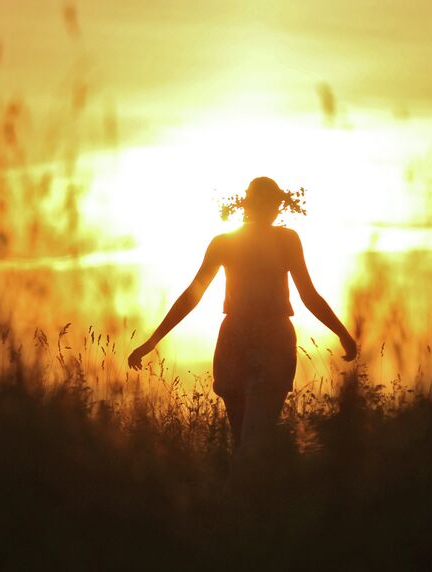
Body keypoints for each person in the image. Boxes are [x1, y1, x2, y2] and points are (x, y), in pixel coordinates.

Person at [127, 176, 357, 462]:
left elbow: (192, 295)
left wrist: (152, 341)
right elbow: (309, 295)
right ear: (275, 207)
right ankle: (250, 495)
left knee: (244, 442)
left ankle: (241, 496)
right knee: (254, 440)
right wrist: (343, 334)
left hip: (236, 335)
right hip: (270, 337)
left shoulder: (227, 242)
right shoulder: (285, 240)